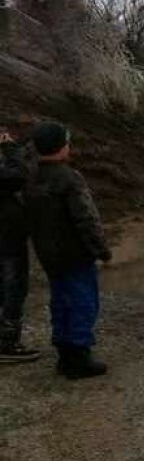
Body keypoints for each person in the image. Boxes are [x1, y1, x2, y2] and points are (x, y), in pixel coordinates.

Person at [25, 122, 112, 379]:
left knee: (61, 301)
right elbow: (86, 219)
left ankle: (64, 353)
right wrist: (101, 250)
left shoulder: (32, 178)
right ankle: (79, 358)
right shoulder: (69, 179)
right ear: (61, 147)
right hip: (75, 256)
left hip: (49, 256)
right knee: (83, 302)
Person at [0, 128, 40, 363]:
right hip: (6, 237)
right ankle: (7, 344)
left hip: (7, 233)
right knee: (13, 288)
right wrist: (11, 148)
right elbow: (17, 176)